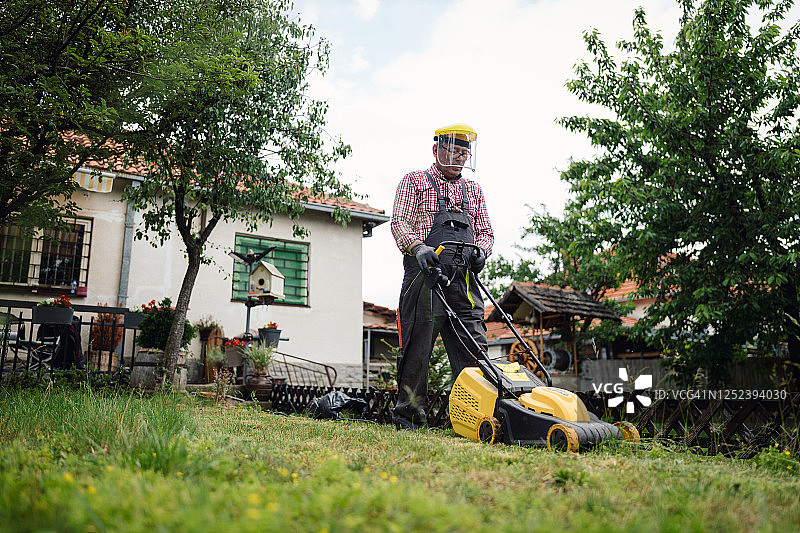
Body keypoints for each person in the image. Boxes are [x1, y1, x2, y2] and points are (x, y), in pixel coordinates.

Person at [390, 123, 494, 430]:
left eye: (465, 152)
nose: (461, 157)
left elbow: (486, 232)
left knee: (474, 349)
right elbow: (399, 222)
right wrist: (418, 248)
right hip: (424, 277)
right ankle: (409, 420)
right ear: (436, 150)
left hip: (464, 279)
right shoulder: (415, 181)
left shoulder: (473, 190)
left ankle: (476, 420)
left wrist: (482, 252)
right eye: (455, 151)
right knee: (417, 350)